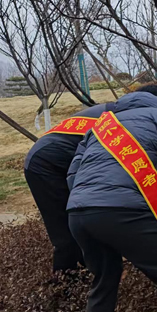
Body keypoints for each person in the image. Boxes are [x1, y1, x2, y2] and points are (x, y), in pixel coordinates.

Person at [66, 85, 157, 312]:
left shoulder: (101, 125)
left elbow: (72, 176)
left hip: (79, 214)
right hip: (124, 212)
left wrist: (91, 201)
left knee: (104, 281)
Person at [24, 100, 118, 272]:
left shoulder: (117, 111)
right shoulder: (116, 117)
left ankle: (88, 270)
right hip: (45, 166)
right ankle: (65, 287)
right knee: (65, 231)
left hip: (62, 162)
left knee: (84, 221)